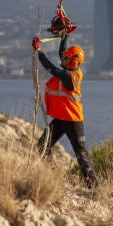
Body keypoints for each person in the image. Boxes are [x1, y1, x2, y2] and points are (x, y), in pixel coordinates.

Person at [32, 35, 100, 189]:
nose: (62, 58)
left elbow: (51, 68)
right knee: (42, 145)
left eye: (66, 58)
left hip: (73, 120)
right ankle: (55, 177)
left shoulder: (69, 76)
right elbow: (63, 51)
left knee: (81, 154)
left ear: (73, 62)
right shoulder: (68, 68)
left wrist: (39, 51)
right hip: (61, 119)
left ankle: (94, 186)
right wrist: (65, 35)